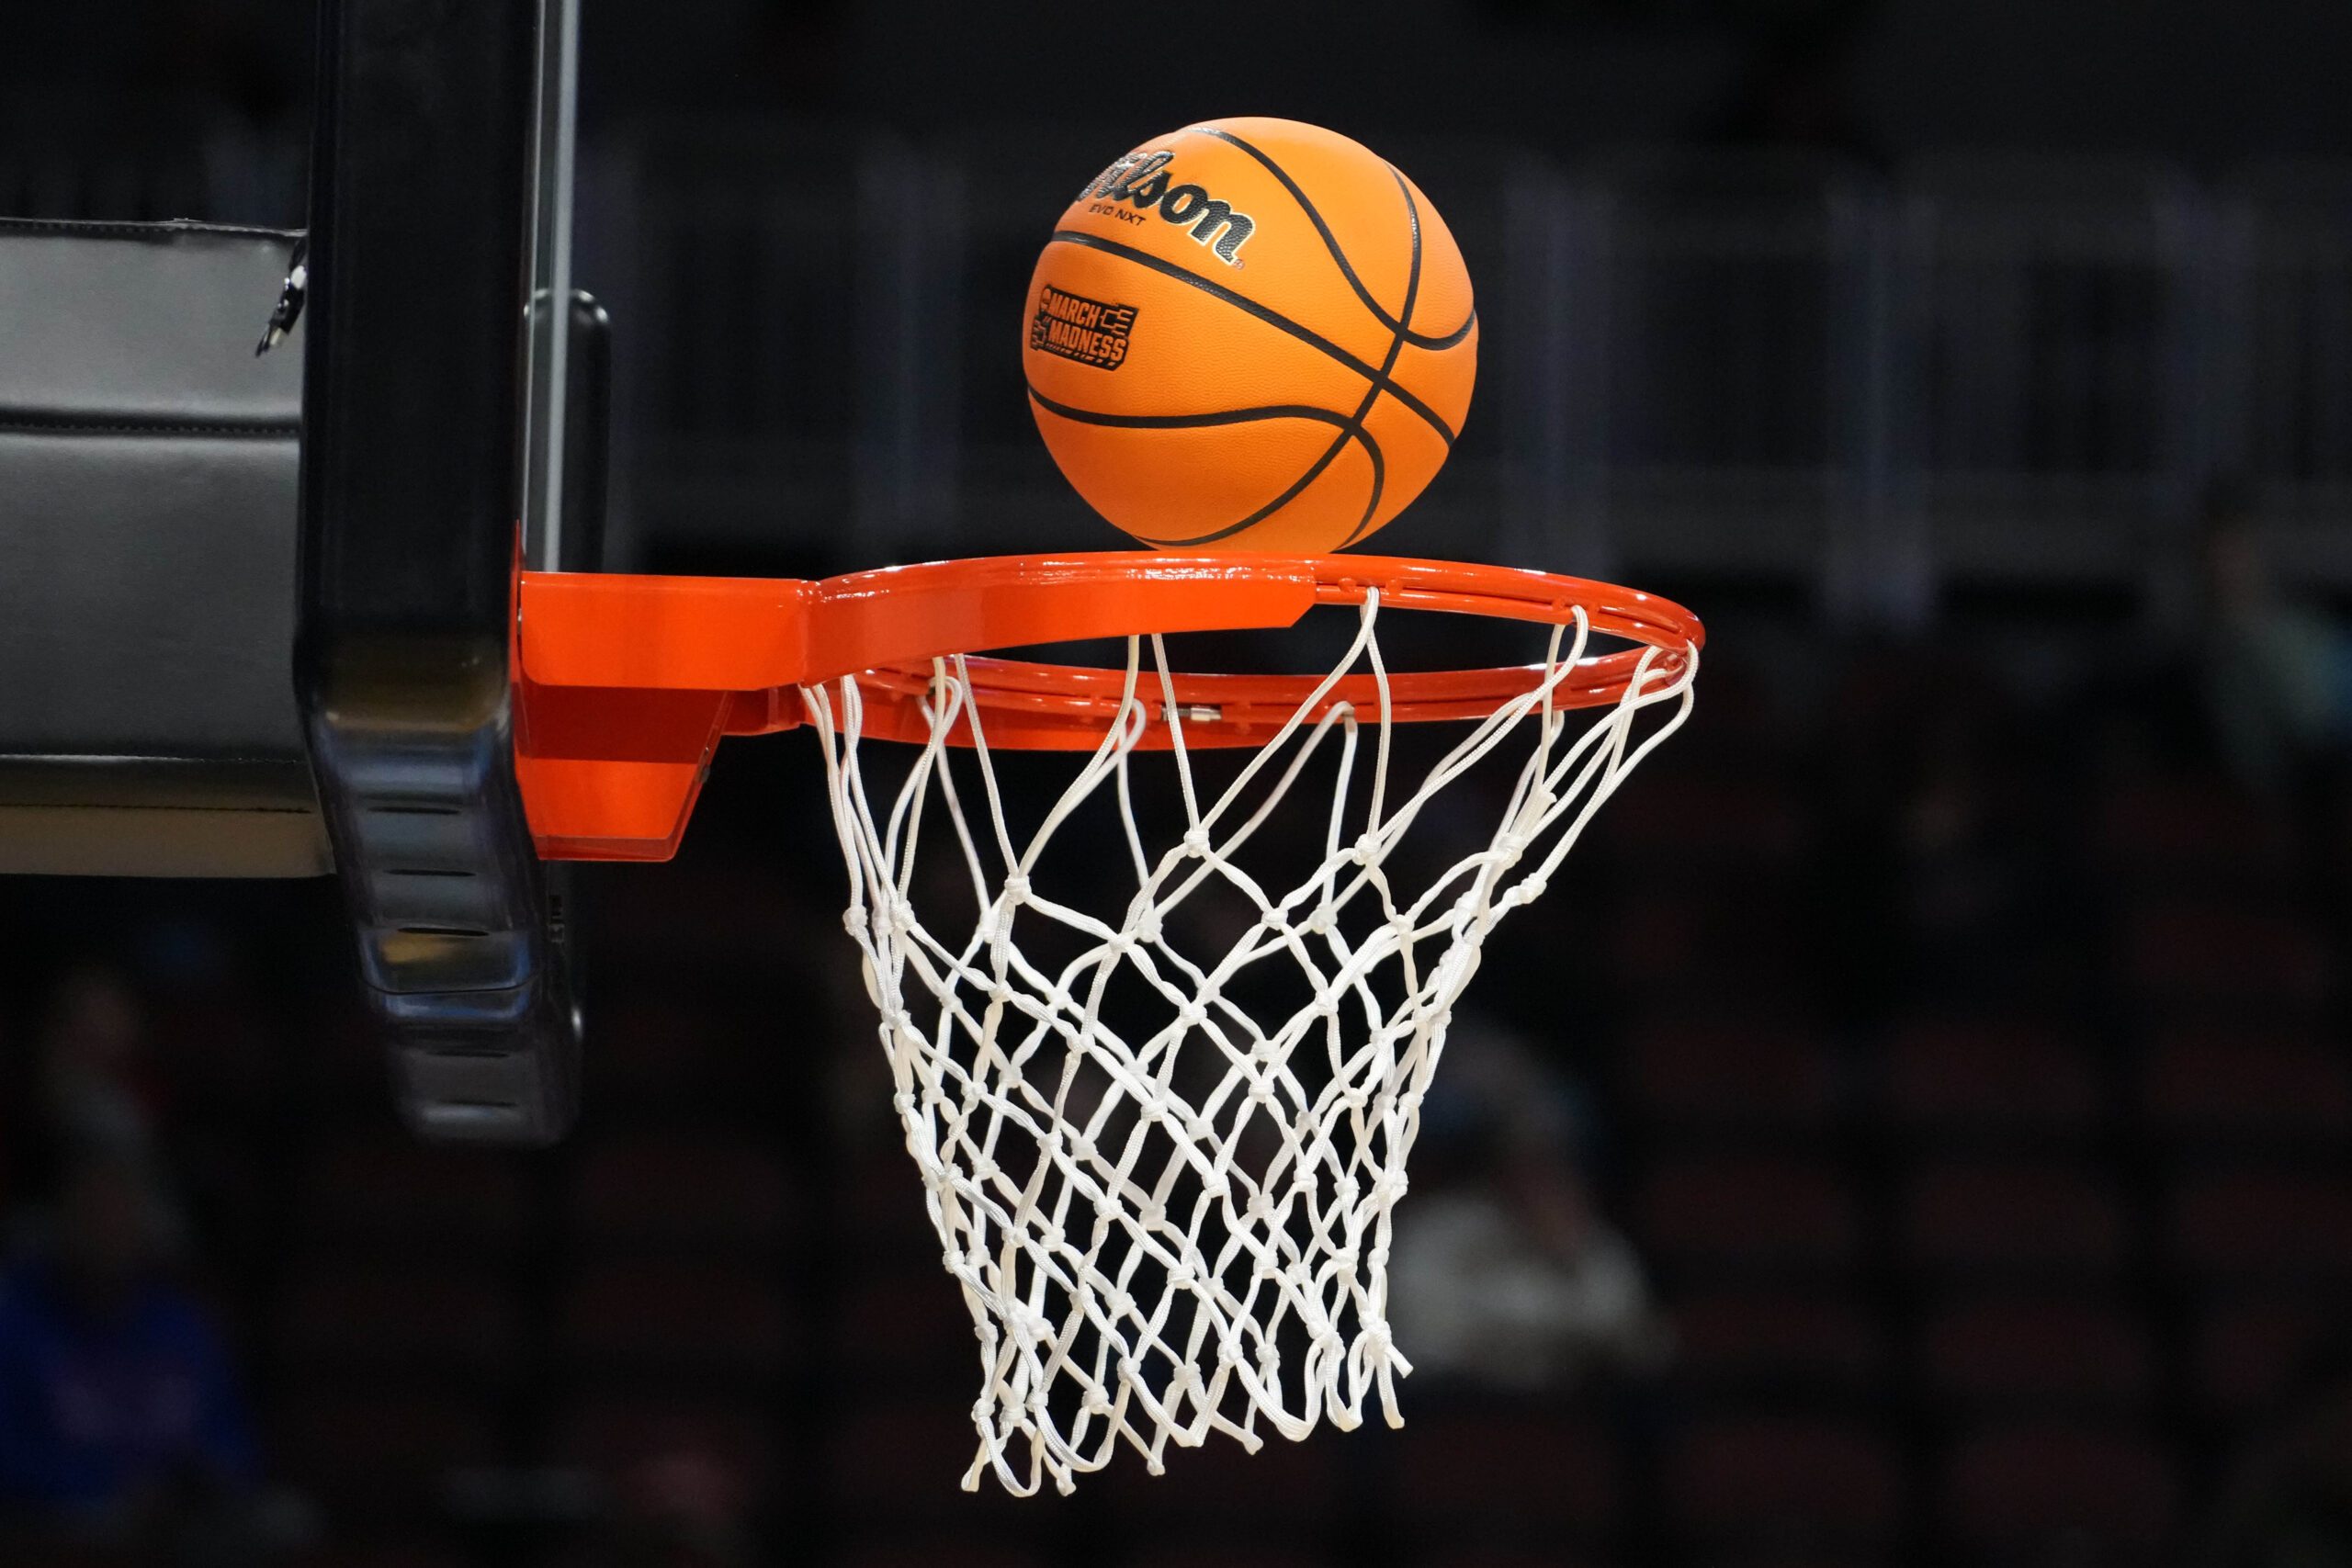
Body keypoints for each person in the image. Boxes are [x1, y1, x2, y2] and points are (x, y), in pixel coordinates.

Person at [1385, 1016, 1667, 1393]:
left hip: (1567, 1416)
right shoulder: (1439, 1232)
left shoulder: (1587, 1241)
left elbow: (1641, 1342)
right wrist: (1555, 1336)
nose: (1544, 1181)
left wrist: (1565, 1261)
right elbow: (1424, 1340)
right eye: (1529, 1164)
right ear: (1499, 1168)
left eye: (1555, 1164)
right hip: (1462, 1410)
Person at [0, 1149, 260, 1550]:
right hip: (56, 1529)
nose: (107, 1228)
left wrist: (192, 1484)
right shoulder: (16, 1320)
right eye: (93, 1212)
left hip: (180, 1531)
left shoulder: (183, 1327)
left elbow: (232, 1445)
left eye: (119, 1212)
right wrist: (106, 1486)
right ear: (61, 1219)